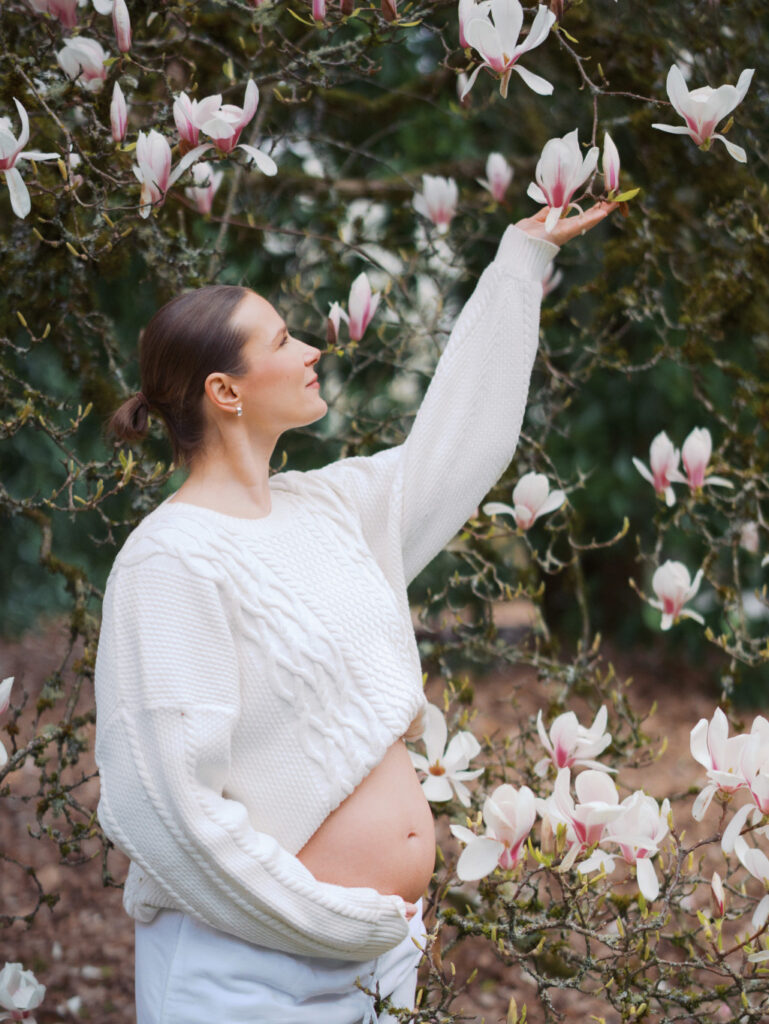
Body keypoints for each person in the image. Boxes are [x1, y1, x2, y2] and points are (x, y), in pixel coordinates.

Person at [93, 201, 615, 1024]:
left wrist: (521, 259)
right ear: (224, 391)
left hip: (376, 964)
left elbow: (462, 443)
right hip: (248, 974)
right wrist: (332, 920)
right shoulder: (170, 562)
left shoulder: (329, 510)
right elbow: (169, 811)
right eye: (280, 342)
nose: (311, 349)